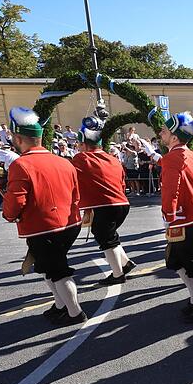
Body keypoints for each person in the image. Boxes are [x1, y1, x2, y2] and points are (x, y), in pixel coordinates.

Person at [2, 107, 85, 326]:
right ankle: (61, 305)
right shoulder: (64, 162)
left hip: (44, 227)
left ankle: (75, 313)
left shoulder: (20, 164)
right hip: (69, 223)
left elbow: (16, 202)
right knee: (48, 266)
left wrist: (9, 214)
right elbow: (77, 194)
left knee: (57, 271)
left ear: (18, 138)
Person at [143, 109, 193, 323]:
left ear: (175, 137)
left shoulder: (175, 157)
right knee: (178, 263)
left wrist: (168, 214)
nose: (161, 134)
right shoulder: (189, 154)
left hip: (185, 220)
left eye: (164, 131)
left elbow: (170, 189)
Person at [71, 116, 136, 286]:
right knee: (108, 236)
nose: (78, 147)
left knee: (105, 238)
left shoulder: (81, 159)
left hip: (105, 205)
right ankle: (125, 263)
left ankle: (118, 274)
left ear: (84, 144)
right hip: (122, 204)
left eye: (79, 144)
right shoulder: (112, 159)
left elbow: (68, 176)